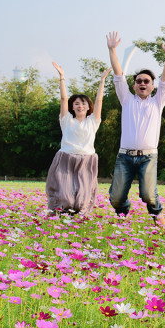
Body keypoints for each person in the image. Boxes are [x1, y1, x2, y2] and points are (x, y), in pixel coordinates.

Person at [106, 31, 165, 225]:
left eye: (147, 81)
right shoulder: (126, 100)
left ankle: (156, 213)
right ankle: (122, 211)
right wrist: (112, 50)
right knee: (116, 197)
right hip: (124, 156)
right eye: (139, 81)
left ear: (152, 86)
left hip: (148, 156)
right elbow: (118, 75)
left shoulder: (157, 102)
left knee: (148, 195)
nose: (142, 83)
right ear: (134, 86)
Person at [45, 62, 111, 216]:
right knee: (65, 196)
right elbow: (62, 99)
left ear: (89, 107)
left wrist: (102, 81)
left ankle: (78, 218)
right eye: (76, 103)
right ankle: (60, 214)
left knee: (82, 197)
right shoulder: (66, 119)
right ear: (72, 107)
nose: (80, 106)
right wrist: (62, 78)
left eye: (83, 103)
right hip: (66, 158)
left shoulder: (93, 121)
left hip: (87, 160)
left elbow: (100, 101)